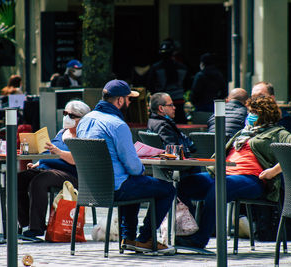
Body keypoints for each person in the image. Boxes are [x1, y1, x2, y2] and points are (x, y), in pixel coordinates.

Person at [175, 95, 291, 249]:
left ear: (265, 113)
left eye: (253, 111)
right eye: (249, 111)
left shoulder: (277, 132)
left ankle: (200, 239)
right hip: (222, 173)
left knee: (219, 187)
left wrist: (272, 172)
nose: (250, 115)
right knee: (183, 185)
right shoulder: (245, 132)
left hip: (252, 179)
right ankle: (188, 230)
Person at [77, 80, 176, 255]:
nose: (130, 103)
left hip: (91, 189)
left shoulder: (85, 120)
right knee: (167, 189)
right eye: (129, 99)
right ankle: (145, 239)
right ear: (120, 101)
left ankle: (128, 238)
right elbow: (133, 167)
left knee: (136, 183)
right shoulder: (117, 124)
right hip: (116, 188)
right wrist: (141, 170)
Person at [17, 100, 91, 238]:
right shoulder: (62, 132)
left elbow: (76, 159)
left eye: (71, 115)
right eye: (65, 113)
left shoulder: (83, 135)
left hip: (70, 174)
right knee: (18, 179)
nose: (66, 118)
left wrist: (58, 152)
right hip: (47, 169)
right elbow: (49, 153)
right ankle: (25, 222)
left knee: (39, 181)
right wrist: (37, 164)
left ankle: (36, 228)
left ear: (83, 119)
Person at [147, 39, 188, 123]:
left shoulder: (156, 68)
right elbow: (187, 84)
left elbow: (150, 85)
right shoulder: (182, 68)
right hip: (178, 100)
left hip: (162, 103)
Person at [147, 92, 196, 157]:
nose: (174, 107)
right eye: (171, 105)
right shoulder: (164, 126)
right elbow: (174, 154)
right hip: (177, 165)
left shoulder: (151, 121)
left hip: (160, 164)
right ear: (161, 108)